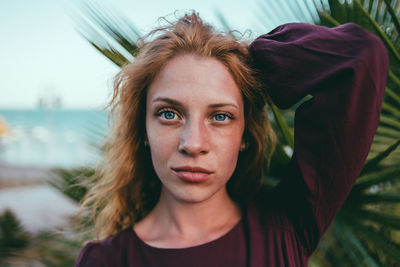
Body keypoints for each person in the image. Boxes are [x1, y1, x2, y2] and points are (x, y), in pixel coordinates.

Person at [74, 12, 389, 267]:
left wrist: (250, 59)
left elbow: (360, 56)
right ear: (142, 128)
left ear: (244, 135)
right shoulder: (104, 260)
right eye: (169, 114)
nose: (193, 143)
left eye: (220, 116)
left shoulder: (289, 223)